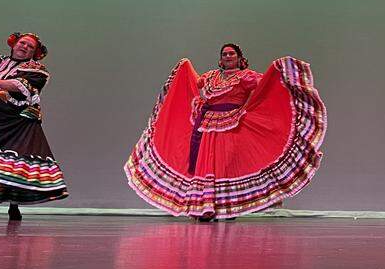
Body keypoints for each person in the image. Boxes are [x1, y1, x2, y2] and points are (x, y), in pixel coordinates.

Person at [125, 43, 326, 220]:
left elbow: (265, 84)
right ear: (220, 59)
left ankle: (224, 208)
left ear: (240, 58)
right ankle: (201, 207)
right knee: (205, 166)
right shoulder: (211, 76)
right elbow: (194, 82)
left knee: (226, 165)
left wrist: (280, 72)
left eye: (231, 54)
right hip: (206, 123)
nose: (228, 57)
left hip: (231, 123)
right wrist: (185, 67)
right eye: (224, 54)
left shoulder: (245, 76)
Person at [0, 32, 68, 219]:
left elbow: (21, 86)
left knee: (12, 163)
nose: (24, 47)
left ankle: (14, 204)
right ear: (14, 44)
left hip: (13, 120)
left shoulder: (37, 69)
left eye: (30, 47)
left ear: (34, 53)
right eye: (22, 43)